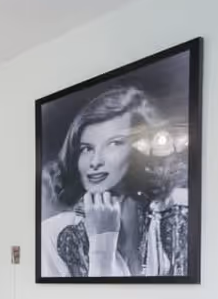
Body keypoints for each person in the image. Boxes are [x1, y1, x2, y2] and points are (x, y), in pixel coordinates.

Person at [41, 86, 189, 278]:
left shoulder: (183, 210)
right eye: (86, 148)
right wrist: (102, 243)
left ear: (140, 149)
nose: (95, 162)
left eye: (114, 144)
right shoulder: (53, 234)